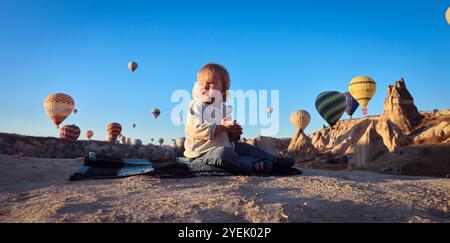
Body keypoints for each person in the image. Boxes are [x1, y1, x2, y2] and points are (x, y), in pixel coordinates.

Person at [184, 63, 294, 174]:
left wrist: (233, 133)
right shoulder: (197, 105)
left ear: (223, 91)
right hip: (202, 152)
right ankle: (253, 165)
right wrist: (222, 127)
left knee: (247, 148)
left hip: (226, 146)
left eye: (210, 83)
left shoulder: (223, 109)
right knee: (223, 154)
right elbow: (195, 129)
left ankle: (273, 160)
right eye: (200, 83)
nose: (204, 86)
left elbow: (228, 138)